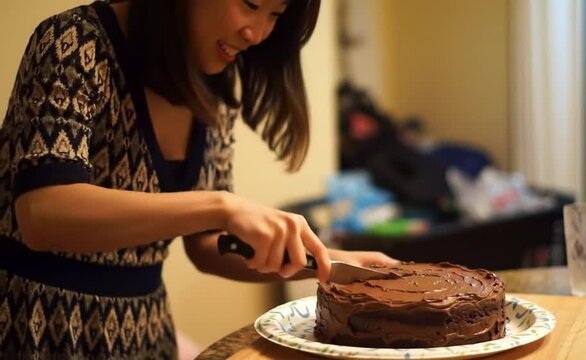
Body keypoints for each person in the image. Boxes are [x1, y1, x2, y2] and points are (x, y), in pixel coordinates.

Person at [0, 0, 397, 358]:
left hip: (144, 333)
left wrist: (325, 262)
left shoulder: (215, 88)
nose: (257, 33)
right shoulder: (74, 41)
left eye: (275, 15)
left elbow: (207, 245)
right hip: (34, 328)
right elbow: (42, 214)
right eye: (250, 4)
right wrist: (221, 206)